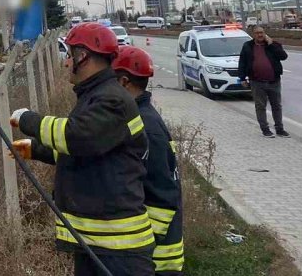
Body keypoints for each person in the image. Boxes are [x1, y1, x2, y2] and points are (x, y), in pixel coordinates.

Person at [10, 22, 154, 276]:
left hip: (118, 248)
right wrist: (34, 149)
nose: (66, 62)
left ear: (83, 56)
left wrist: (27, 120)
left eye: (69, 55)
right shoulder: (97, 95)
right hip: (99, 241)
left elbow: (77, 137)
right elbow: (90, 149)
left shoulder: (111, 99)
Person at [114, 46, 184, 273]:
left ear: (124, 82)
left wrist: (140, 244)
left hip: (156, 257)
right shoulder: (139, 117)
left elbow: (162, 196)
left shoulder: (145, 126)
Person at [238, 26, 290, 138]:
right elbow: (242, 62)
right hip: (257, 82)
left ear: (265, 33)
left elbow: (283, 56)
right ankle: (265, 129)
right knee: (260, 106)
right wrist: (242, 78)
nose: (260, 35)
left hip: (274, 81)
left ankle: (279, 129)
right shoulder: (248, 46)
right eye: (257, 33)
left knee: (277, 106)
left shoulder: (273, 45)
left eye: (261, 32)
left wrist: (271, 44)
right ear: (253, 34)